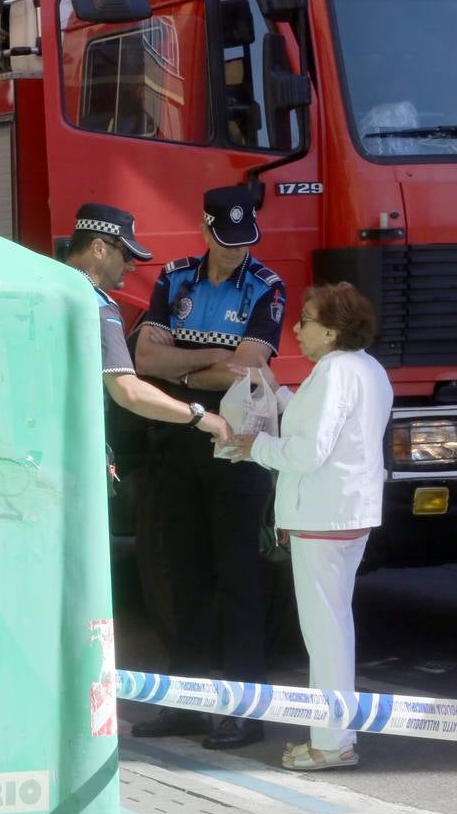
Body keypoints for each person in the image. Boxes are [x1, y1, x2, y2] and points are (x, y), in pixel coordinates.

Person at [129, 185, 287, 750]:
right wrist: (212, 363)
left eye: (244, 243)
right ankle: (190, 705)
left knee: (241, 576)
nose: (235, 253)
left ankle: (246, 711)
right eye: (225, 242)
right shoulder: (173, 278)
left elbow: (250, 370)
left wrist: (185, 368)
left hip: (240, 441)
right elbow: (145, 359)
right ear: (205, 229)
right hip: (178, 434)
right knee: (182, 572)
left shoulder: (268, 285)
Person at [227, 283, 392, 770]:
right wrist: (278, 394)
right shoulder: (368, 368)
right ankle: (334, 736)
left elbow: (305, 452)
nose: (297, 328)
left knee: (325, 633)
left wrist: (251, 445)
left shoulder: (333, 371)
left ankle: (331, 742)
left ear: (332, 330)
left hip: (322, 515)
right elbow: (329, 430)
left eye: (306, 319)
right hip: (351, 515)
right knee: (335, 626)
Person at [64, 203, 232, 443]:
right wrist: (201, 417)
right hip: (72, 449)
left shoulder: (45, 286)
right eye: (127, 255)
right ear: (99, 248)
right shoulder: (96, 305)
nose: (132, 266)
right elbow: (129, 392)